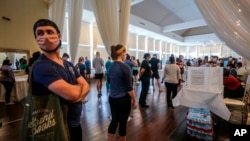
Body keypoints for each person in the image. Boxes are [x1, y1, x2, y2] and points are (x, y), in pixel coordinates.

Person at [31, 19, 89, 141]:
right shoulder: (42, 66)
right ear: (36, 39)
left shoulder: (68, 64)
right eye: (40, 33)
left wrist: (76, 95)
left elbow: (86, 85)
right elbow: (72, 93)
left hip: (74, 122)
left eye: (49, 32)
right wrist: (78, 92)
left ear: (59, 36)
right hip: (58, 126)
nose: (45, 36)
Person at [108, 44, 137, 141]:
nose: (126, 54)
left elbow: (109, 82)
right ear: (122, 53)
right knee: (123, 122)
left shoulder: (111, 67)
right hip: (123, 99)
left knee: (114, 121)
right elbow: (129, 88)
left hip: (112, 98)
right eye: (125, 52)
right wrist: (134, 100)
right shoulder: (125, 68)